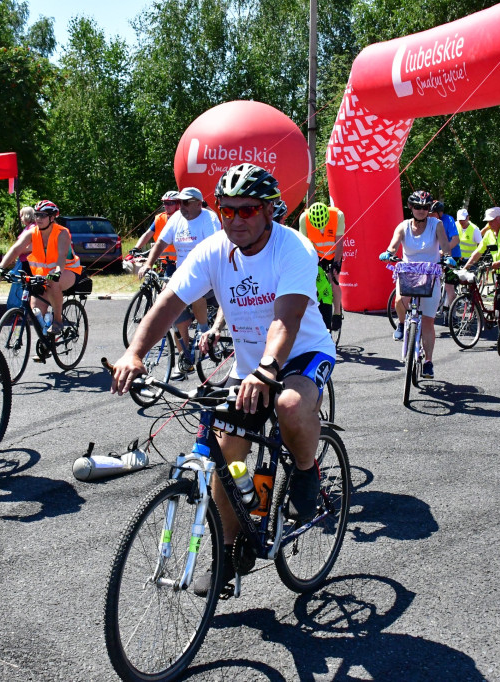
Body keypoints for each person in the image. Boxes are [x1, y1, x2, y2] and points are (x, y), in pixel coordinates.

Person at [111, 163, 335, 596]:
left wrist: (268, 369)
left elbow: (286, 319)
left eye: (248, 210)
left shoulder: (295, 248)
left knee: (288, 404)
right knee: (228, 456)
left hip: (303, 353)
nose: (236, 220)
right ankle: (227, 554)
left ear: (269, 211)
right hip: (251, 365)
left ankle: (306, 473)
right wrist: (135, 353)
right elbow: (168, 302)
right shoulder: (212, 250)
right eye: (226, 210)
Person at [140, 186, 221, 369]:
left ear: (199, 204)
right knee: (177, 318)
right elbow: (160, 242)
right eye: (179, 202)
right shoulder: (176, 218)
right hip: (181, 274)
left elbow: (215, 249)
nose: (181, 206)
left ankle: (202, 330)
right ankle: (185, 358)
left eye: (185, 202)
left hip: (206, 273)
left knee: (194, 292)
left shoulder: (209, 218)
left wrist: (198, 273)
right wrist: (148, 264)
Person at [381, 189, 452, 379]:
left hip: (430, 274)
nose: (421, 211)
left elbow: (444, 245)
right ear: (411, 207)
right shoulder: (403, 226)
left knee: (428, 321)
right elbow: (394, 244)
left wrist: (447, 257)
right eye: (418, 207)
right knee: (399, 301)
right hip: (408, 273)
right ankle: (403, 324)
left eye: (425, 207)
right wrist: (389, 252)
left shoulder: (436, 225)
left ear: (429, 209)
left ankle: (428, 361)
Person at [0, 200, 82, 342]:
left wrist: (57, 272)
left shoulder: (62, 233)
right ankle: (47, 340)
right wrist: (1, 267)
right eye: (36, 215)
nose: (38, 219)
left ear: (52, 217)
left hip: (67, 271)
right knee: (35, 312)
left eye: (42, 215)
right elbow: (16, 249)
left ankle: (58, 321)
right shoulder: (32, 232)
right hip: (42, 275)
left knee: (53, 283)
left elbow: (61, 257)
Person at [298, 201, 346, 331]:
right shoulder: (304, 218)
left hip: (333, 255)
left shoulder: (338, 215)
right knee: (315, 282)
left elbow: (340, 242)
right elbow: (305, 245)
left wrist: (336, 262)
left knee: (334, 280)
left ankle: (337, 312)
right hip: (316, 255)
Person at [134, 191, 180, 273]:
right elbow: (147, 234)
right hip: (166, 262)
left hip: (182, 262)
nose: (166, 206)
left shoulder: (185, 218)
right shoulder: (160, 218)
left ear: (178, 204)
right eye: (165, 203)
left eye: (170, 203)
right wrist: (136, 248)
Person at [431, 200, 460, 317]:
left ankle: (452, 315)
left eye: (433, 213)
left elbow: (455, 240)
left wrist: (443, 251)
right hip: (436, 255)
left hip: (452, 255)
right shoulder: (429, 221)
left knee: (449, 286)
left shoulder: (448, 220)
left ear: (440, 213)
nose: (430, 215)